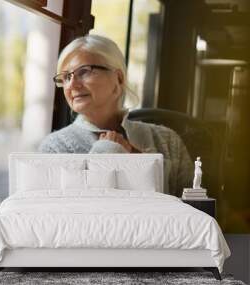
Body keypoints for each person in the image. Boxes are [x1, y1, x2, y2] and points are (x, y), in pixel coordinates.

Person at [38, 34, 192, 196]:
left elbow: (194, 212)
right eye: (66, 77)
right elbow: (63, 216)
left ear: (118, 78)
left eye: (83, 72)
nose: (72, 85)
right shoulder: (53, 149)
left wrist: (138, 160)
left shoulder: (167, 140)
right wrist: (106, 152)